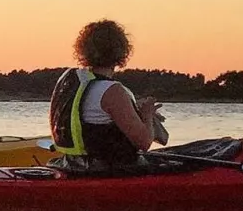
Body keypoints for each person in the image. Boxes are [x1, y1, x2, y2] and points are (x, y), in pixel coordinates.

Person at [49, 20, 161, 172]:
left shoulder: (70, 81)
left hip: (71, 165)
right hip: (108, 171)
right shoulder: (112, 91)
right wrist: (147, 114)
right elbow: (144, 143)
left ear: (83, 50)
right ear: (122, 52)